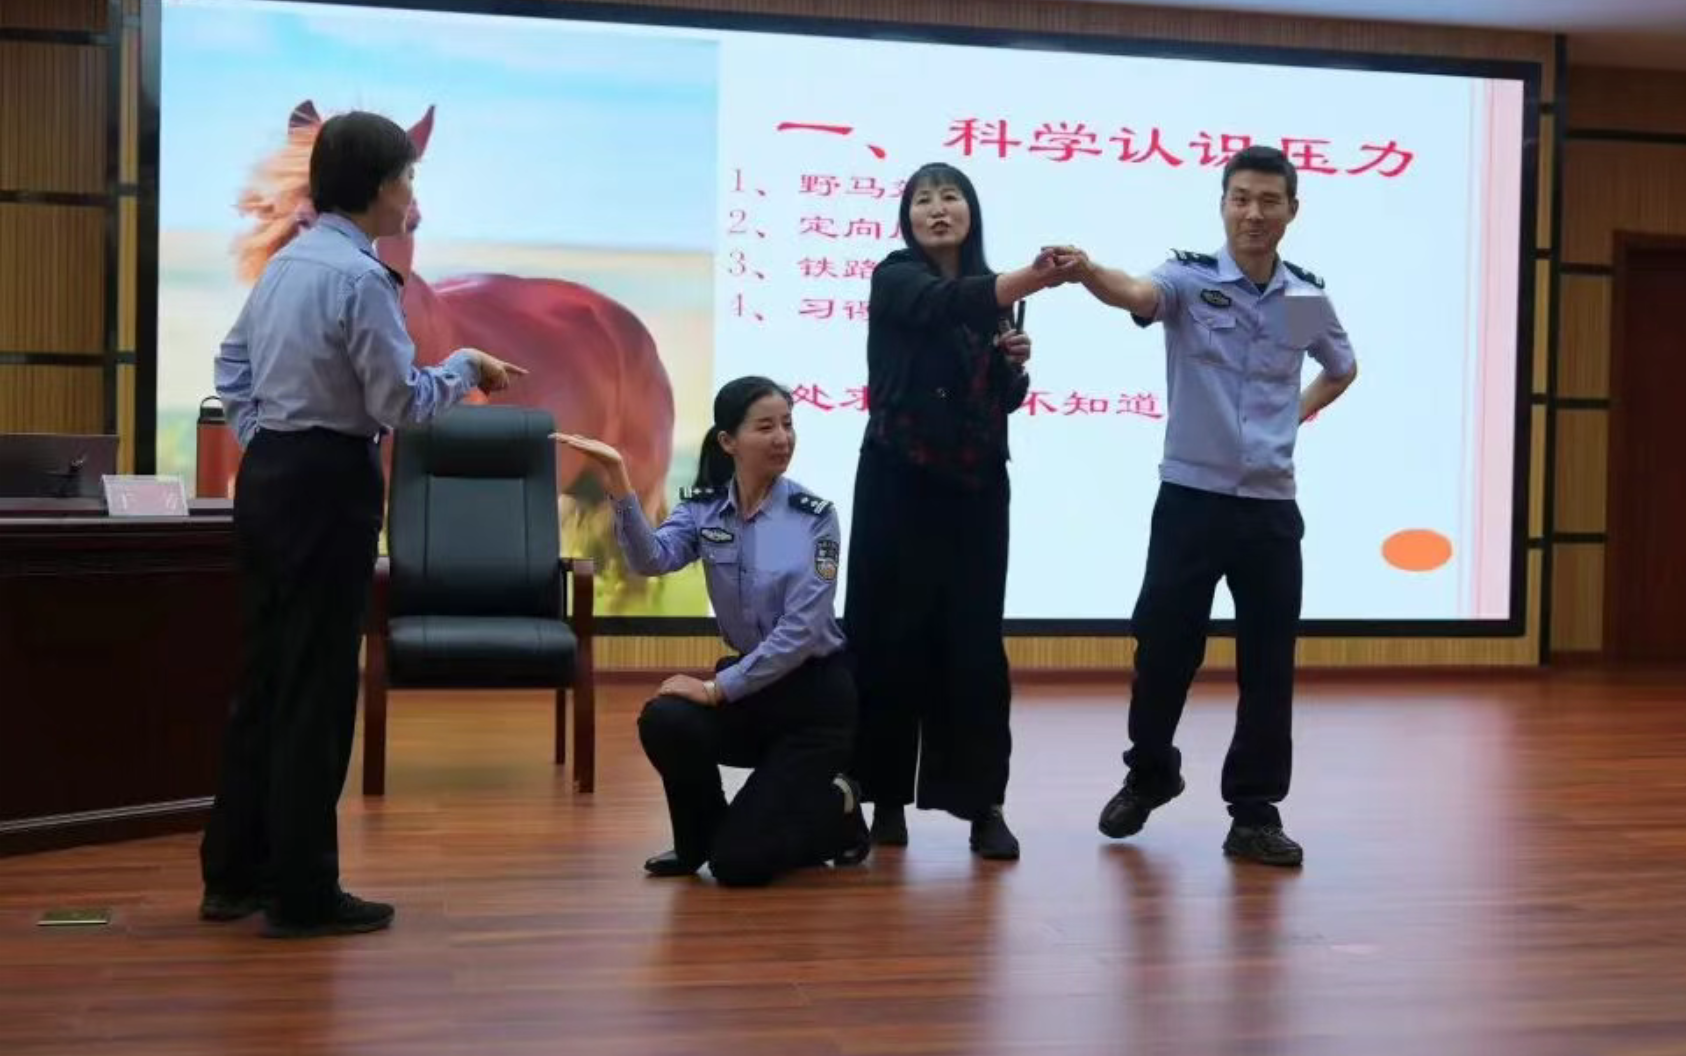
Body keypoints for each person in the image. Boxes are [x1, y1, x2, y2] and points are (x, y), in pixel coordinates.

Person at [198, 110, 525, 937]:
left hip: (271, 478)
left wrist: (264, 434)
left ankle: (233, 875)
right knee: (318, 689)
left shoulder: (287, 265)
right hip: (329, 483)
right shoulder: (362, 279)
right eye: (408, 177)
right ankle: (303, 893)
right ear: (380, 187)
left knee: (267, 677)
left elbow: (231, 366)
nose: (413, 194)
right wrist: (465, 366)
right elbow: (399, 402)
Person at [1042, 145, 1358, 866]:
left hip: (1270, 508)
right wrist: (1087, 271)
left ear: (1291, 211)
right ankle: (1150, 772)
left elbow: (1341, 368)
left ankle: (1255, 812)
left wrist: (1291, 417)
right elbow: (1136, 293)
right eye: (1240, 198)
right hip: (1190, 499)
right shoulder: (1189, 280)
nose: (1254, 213)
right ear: (1223, 205)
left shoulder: (1302, 298)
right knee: (1163, 648)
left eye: (1269, 200)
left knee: (1268, 664)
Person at [555, 376, 871, 887]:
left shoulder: (814, 518)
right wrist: (618, 481)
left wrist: (716, 689)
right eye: (765, 427)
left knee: (739, 865)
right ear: (728, 441)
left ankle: (837, 804)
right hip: (755, 692)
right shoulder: (704, 509)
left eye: (788, 425)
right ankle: (697, 840)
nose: (782, 438)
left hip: (813, 703)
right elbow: (650, 560)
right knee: (665, 720)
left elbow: (801, 631)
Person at [843, 161, 1065, 861]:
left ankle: (983, 805)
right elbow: (943, 306)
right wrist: (1033, 278)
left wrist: (1012, 370)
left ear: (971, 212)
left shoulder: (993, 296)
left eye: (951, 197)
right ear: (907, 217)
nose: (938, 209)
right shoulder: (896, 276)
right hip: (898, 482)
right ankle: (882, 800)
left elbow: (996, 396)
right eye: (924, 200)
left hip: (975, 491)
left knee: (973, 648)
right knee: (888, 638)